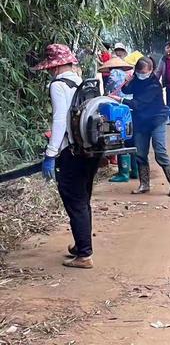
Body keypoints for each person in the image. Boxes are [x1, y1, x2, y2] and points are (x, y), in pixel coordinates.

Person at [33, 44, 100, 269]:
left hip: (71, 152)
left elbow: (60, 121)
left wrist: (50, 154)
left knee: (75, 201)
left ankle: (84, 255)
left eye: (51, 67)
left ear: (56, 66)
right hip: (91, 150)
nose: (50, 72)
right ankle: (82, 245)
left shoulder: (58, 85)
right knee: (83, 199)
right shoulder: (83, 83)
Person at [112, 58, 170, 196]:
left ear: (151, 71)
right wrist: (128, 80)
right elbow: (126, 89)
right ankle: (144, 184)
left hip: (156, 120)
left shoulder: (154, 85)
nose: (142, 74)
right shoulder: (136, 79)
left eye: (145, 72)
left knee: (160, 152)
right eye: (139, 72)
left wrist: (121, 100)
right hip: (141, 121)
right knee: (140, 154)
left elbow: (138, 104)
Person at [98, 56, 138, 183]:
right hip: (131, 109)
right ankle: (135, 171)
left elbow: (109, 91)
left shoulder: (114, 74)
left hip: (119, 110)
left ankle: (123, 173)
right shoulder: (128, 75)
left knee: (121, 140)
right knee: (131, 140)